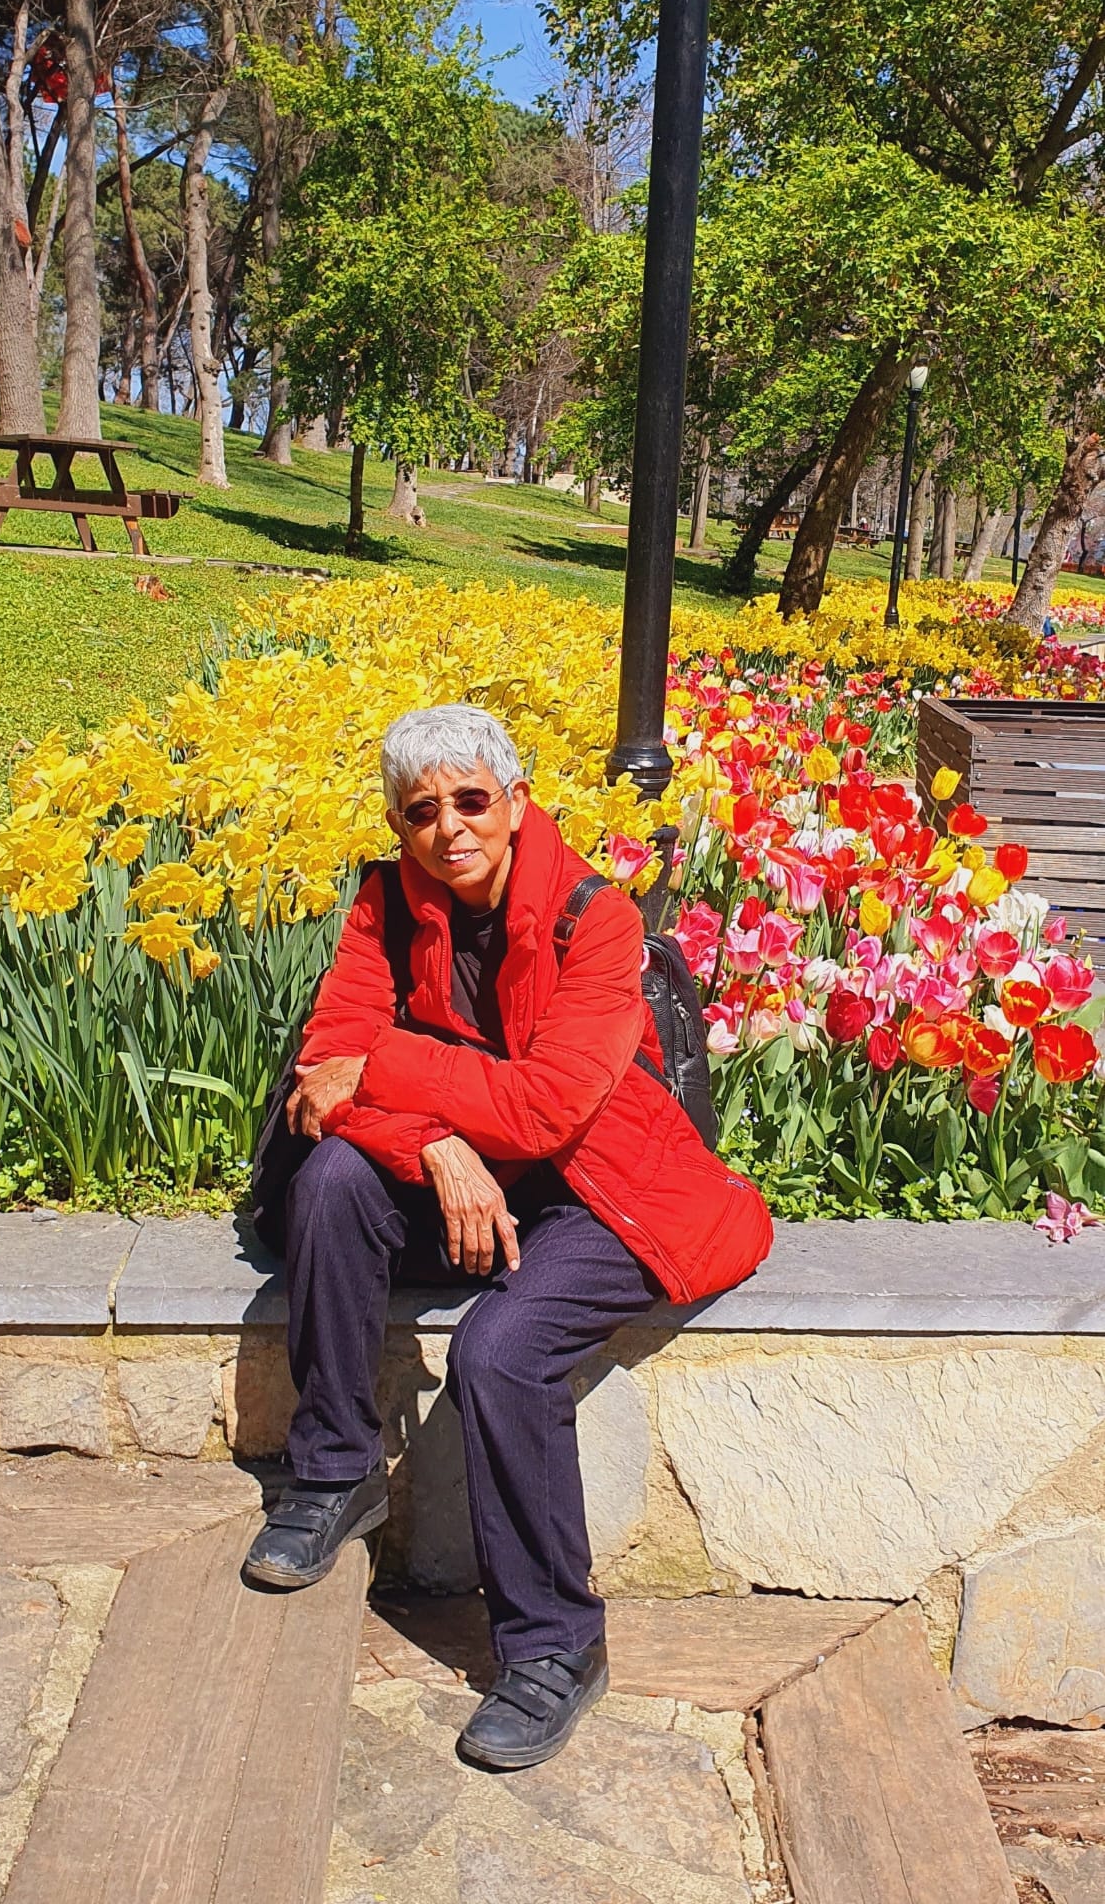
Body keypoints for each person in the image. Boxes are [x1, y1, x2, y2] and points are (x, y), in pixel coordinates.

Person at [243, 704, 772, 1770]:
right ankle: (335, 1470)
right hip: (470, 1173)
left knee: (497, 1351)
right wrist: (435, 1144)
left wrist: (388, 1072)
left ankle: (553, 1645)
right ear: (400, 825)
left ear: (516, 801)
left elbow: (545, 1106)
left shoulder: (596, 918)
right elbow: (322, 1072)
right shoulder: (386, 902)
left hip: (601, 1188)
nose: (449, 827)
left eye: (470, 799)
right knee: (336, 1176)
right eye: (420, 809)